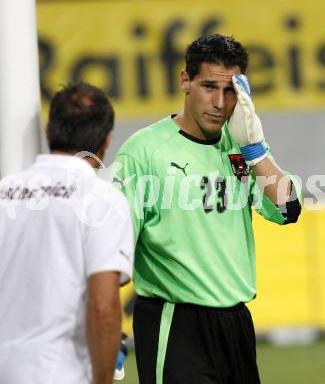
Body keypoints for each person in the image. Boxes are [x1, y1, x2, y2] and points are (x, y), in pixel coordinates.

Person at [113, 34, 301, 384]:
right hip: (175, 323)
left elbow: (288, 209)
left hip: (236, 324)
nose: (219, 102)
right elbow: (113, 244)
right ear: (185, 81)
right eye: (208, 86)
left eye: (230, 91)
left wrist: (256, 150)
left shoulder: (243, 146)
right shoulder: (144, 151)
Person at [0, 82, 134, 384]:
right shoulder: (101, 200)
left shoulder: (4, 191)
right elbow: (103, 306)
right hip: (58, 372)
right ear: (106, 142)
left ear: (48, 131)